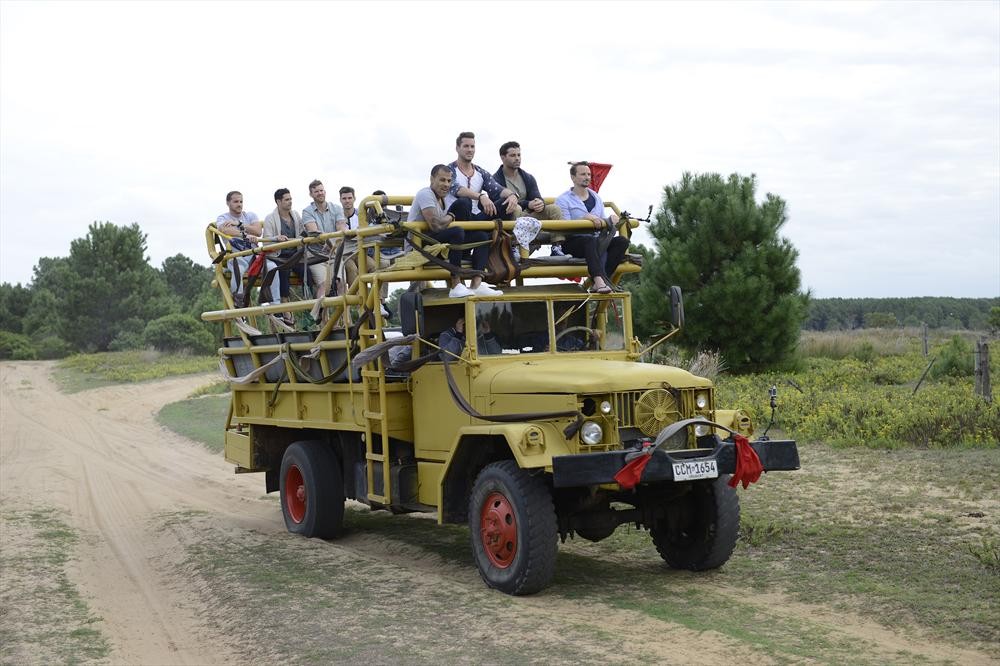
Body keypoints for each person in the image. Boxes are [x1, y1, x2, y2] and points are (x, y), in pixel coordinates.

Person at [408, 164, 503, 298]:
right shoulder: (425, 194)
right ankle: (455, 284)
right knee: (457, 231)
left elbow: (442, 226)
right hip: (419, 246)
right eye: (442, 180)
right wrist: (452, 215)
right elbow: (436, 226)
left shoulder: (444, 199)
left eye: (449, 181)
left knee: (482, 236)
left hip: (437, 244)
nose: (446, 184)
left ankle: (477, 283)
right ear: (432, 179)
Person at [555, 162, 629, 294]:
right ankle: (598, 280)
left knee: (622, 241)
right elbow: (564, 226)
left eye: (589, 174)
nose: (587, 177)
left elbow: (602, 222)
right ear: (573, 177)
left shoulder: (596, 197)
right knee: (589, 240)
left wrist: (610, 220)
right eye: (583, 174)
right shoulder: (563, 200)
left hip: (596, 241)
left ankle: (601, 280)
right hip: (573, 243)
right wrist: (586, 218)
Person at [216, 191, 280, 305]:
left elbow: (258, 231)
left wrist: (238, 224)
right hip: (236, 256)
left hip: (254, 257)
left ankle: (276, 305)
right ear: (228, 203)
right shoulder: (223, 217)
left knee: (272, 267)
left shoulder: (250, 215)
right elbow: (224, 230)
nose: (239, 204)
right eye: (236, 202)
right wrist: (245, 235)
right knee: (238, 269)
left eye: (241, 201)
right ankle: (238, 302)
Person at [340, 186, 391, 316]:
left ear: (354, 198)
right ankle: (361, 305)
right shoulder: (338, 216)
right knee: (352, 269)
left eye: (349, 198)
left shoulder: (361, 214)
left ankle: (378, 302)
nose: (347, 201)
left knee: (374, 266)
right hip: (345, 254)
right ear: (340, 200)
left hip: (359, 251)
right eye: (344, 198)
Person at [447, 131, 519, 222]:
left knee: (505, 201)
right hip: (455, 217)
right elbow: (456, 189)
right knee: (464, 202)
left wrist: (512, 195)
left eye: (472, 146)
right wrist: (481, 196)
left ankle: (490, 232)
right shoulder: (449, 170)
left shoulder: (480, 172)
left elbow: (497, 189)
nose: (470, 150)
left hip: (476, 217)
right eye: (466, 146)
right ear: (457, 148)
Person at [262, 188, 305, 320]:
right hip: (279, 256)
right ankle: (286, 313)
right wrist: (276, 238)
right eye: (287, 199)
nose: (290, 202)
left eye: (290, 199)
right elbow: (266, 241)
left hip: (295, 255)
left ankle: (310, 309)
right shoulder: (270, 218)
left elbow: (302, 233)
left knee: (307, 272)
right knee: (283, 273)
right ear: (278, 201)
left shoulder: (296, 216)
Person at [493, 141, 562, 221]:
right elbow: (501, 204)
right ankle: (515, 234)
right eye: (513, 155)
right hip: (510, 217)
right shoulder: (495, 180)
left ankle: (559, 234)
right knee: (516, 209)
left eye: (519, 155)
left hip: (530, 215)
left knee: (554, 209)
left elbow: (537, 196)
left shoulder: (528, 178)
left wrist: (540, 203)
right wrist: (528, 204)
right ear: (503, 157)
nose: (517, 158)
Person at [300, 179, 345, 297]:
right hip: (316, 256)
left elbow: (341, 229)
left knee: (342, 283)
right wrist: (330, 241)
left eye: (321, 190)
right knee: (323, 285)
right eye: (316, 191)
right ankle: (319, 313)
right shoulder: (307, 211)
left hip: (334, 253)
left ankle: (343, 314)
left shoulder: (336, 208)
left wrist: (331, 243)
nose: (320, 193)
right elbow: (314, 231)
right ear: (311, 194)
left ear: (325, 191)